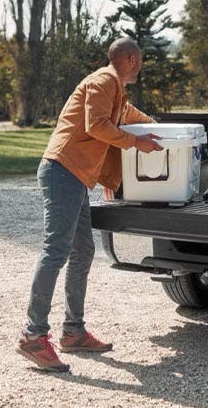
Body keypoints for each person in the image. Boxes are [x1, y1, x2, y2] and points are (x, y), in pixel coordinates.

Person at [15, 37, 163, 373]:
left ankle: (73, 331)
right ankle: (33, 335)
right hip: (62, 170)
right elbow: (96, 125)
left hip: (76, 176)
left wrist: (165, 131)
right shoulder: (103, 81)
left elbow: (130, 116)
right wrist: (136, 142)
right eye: (138, 60)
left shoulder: (115, 90)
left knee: (83, 251)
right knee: (56, 250)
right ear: (130, 59)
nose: (139, 66)